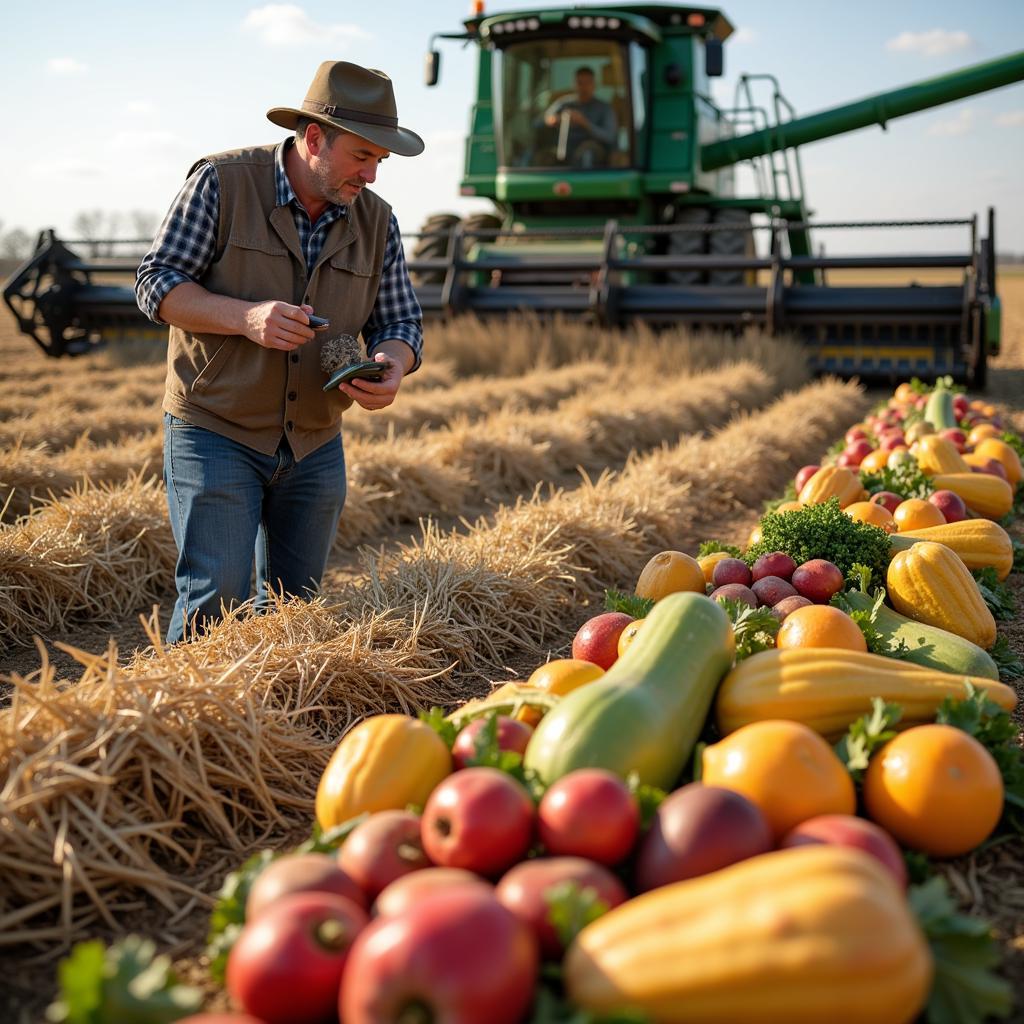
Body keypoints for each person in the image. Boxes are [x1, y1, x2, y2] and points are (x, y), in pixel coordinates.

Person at [135, 61, 424, 644]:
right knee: (215, 603)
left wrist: (394, 364)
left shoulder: (379, 221)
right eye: (361, 156)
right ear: (314, 138)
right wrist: (245, 318)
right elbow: (157, 283)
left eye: (379, 162)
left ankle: (274, 730)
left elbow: (400, 320)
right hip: (217, 426)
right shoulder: (221, 182)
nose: (371, 175)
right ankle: (195, 728)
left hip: (315, 442)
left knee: (299, 609)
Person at [542, 66, 617, 167]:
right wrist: (555, 119)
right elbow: (546, 118)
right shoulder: (564, 103)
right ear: (574, 85)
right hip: (563, 149)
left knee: (587, 154)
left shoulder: (604, 108)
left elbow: (609, 137)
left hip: (591, 150)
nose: (583, 87)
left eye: (588, 83)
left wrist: (584, 123)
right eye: (580, 83)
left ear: (594, 85)